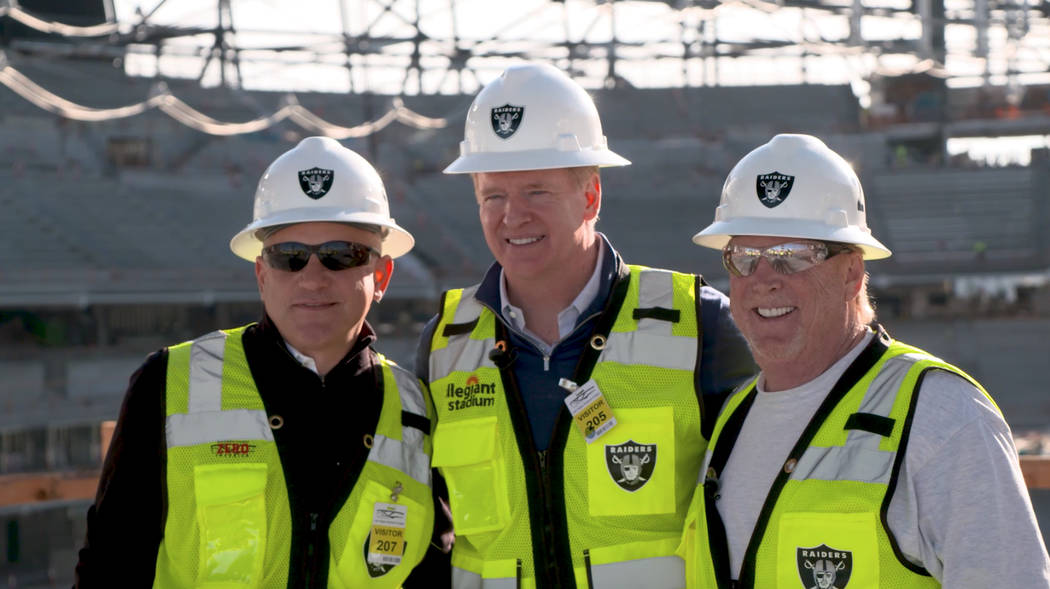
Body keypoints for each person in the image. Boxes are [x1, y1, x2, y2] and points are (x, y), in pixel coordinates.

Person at [414, 63, 757, 588]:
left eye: (537, 192)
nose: (513, 217)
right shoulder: (443, 345)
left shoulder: (700, 324)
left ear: (591, 196)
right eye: (493, 196)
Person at [679, 133, 1050, 588]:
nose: (764, 280)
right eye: (744, 257)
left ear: (852, 272)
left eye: (791, 258)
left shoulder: (943, 419)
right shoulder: (730, 421)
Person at [74, 136, 440, 588]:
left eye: (342, 255)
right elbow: (110, 567)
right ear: (262, 274)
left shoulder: (417, 413)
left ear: (380, 275)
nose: (312, 279)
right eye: (289, 258)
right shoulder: (168, 385)